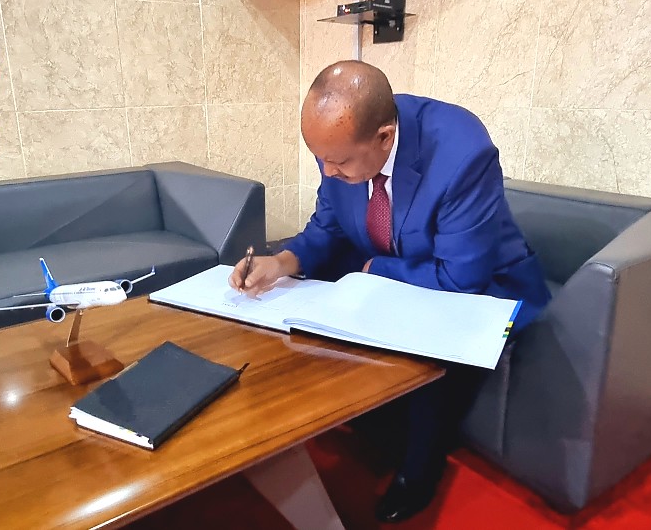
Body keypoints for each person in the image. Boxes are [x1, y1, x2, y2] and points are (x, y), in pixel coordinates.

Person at [229, 60, 552, 522]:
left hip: (481, 285)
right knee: (307, 307)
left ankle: (420, 471)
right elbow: (328, 226)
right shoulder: (339, 145)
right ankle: (369, 423)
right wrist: (279, 263)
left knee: (429, 350)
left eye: (339, 162)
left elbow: (461, 279)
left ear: (384, 137)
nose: (328, 171)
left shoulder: (462, 152)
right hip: (396, 262)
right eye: (321, 159)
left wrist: (372, 270)